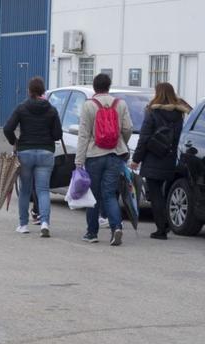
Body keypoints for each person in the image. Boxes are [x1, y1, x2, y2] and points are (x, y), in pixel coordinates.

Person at [75, 73, 133, 246]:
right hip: (115, 154)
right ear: (109, 86)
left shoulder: (89, 105)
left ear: (94, 87)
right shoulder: (120, 104)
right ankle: (116, 227)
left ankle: (92, 233)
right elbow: (128, 128)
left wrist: (79, 160)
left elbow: (84, 134)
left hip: (94, 155)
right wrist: (122, 143)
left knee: (93, 195)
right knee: (109, 194)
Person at [3, 77, 62, 238]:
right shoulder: (51, 110)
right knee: (43, 190)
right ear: (43, 91)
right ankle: (44, 223)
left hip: (26, 153)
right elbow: (58, 134)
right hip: (46, 153)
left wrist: (15, 142)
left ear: (29, 91)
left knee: (25, 190)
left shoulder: (21, 108)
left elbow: (8, 128)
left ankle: (23, 225)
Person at [131, 83, 191, 239]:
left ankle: (161, 228)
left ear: (158, 93)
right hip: (169, 157)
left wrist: (136, 159)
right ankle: (164, 224)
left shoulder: (152, 112)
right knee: (162, 192)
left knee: (155, 193)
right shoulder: (179, 114)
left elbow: (144, 138)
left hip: (153, 157)